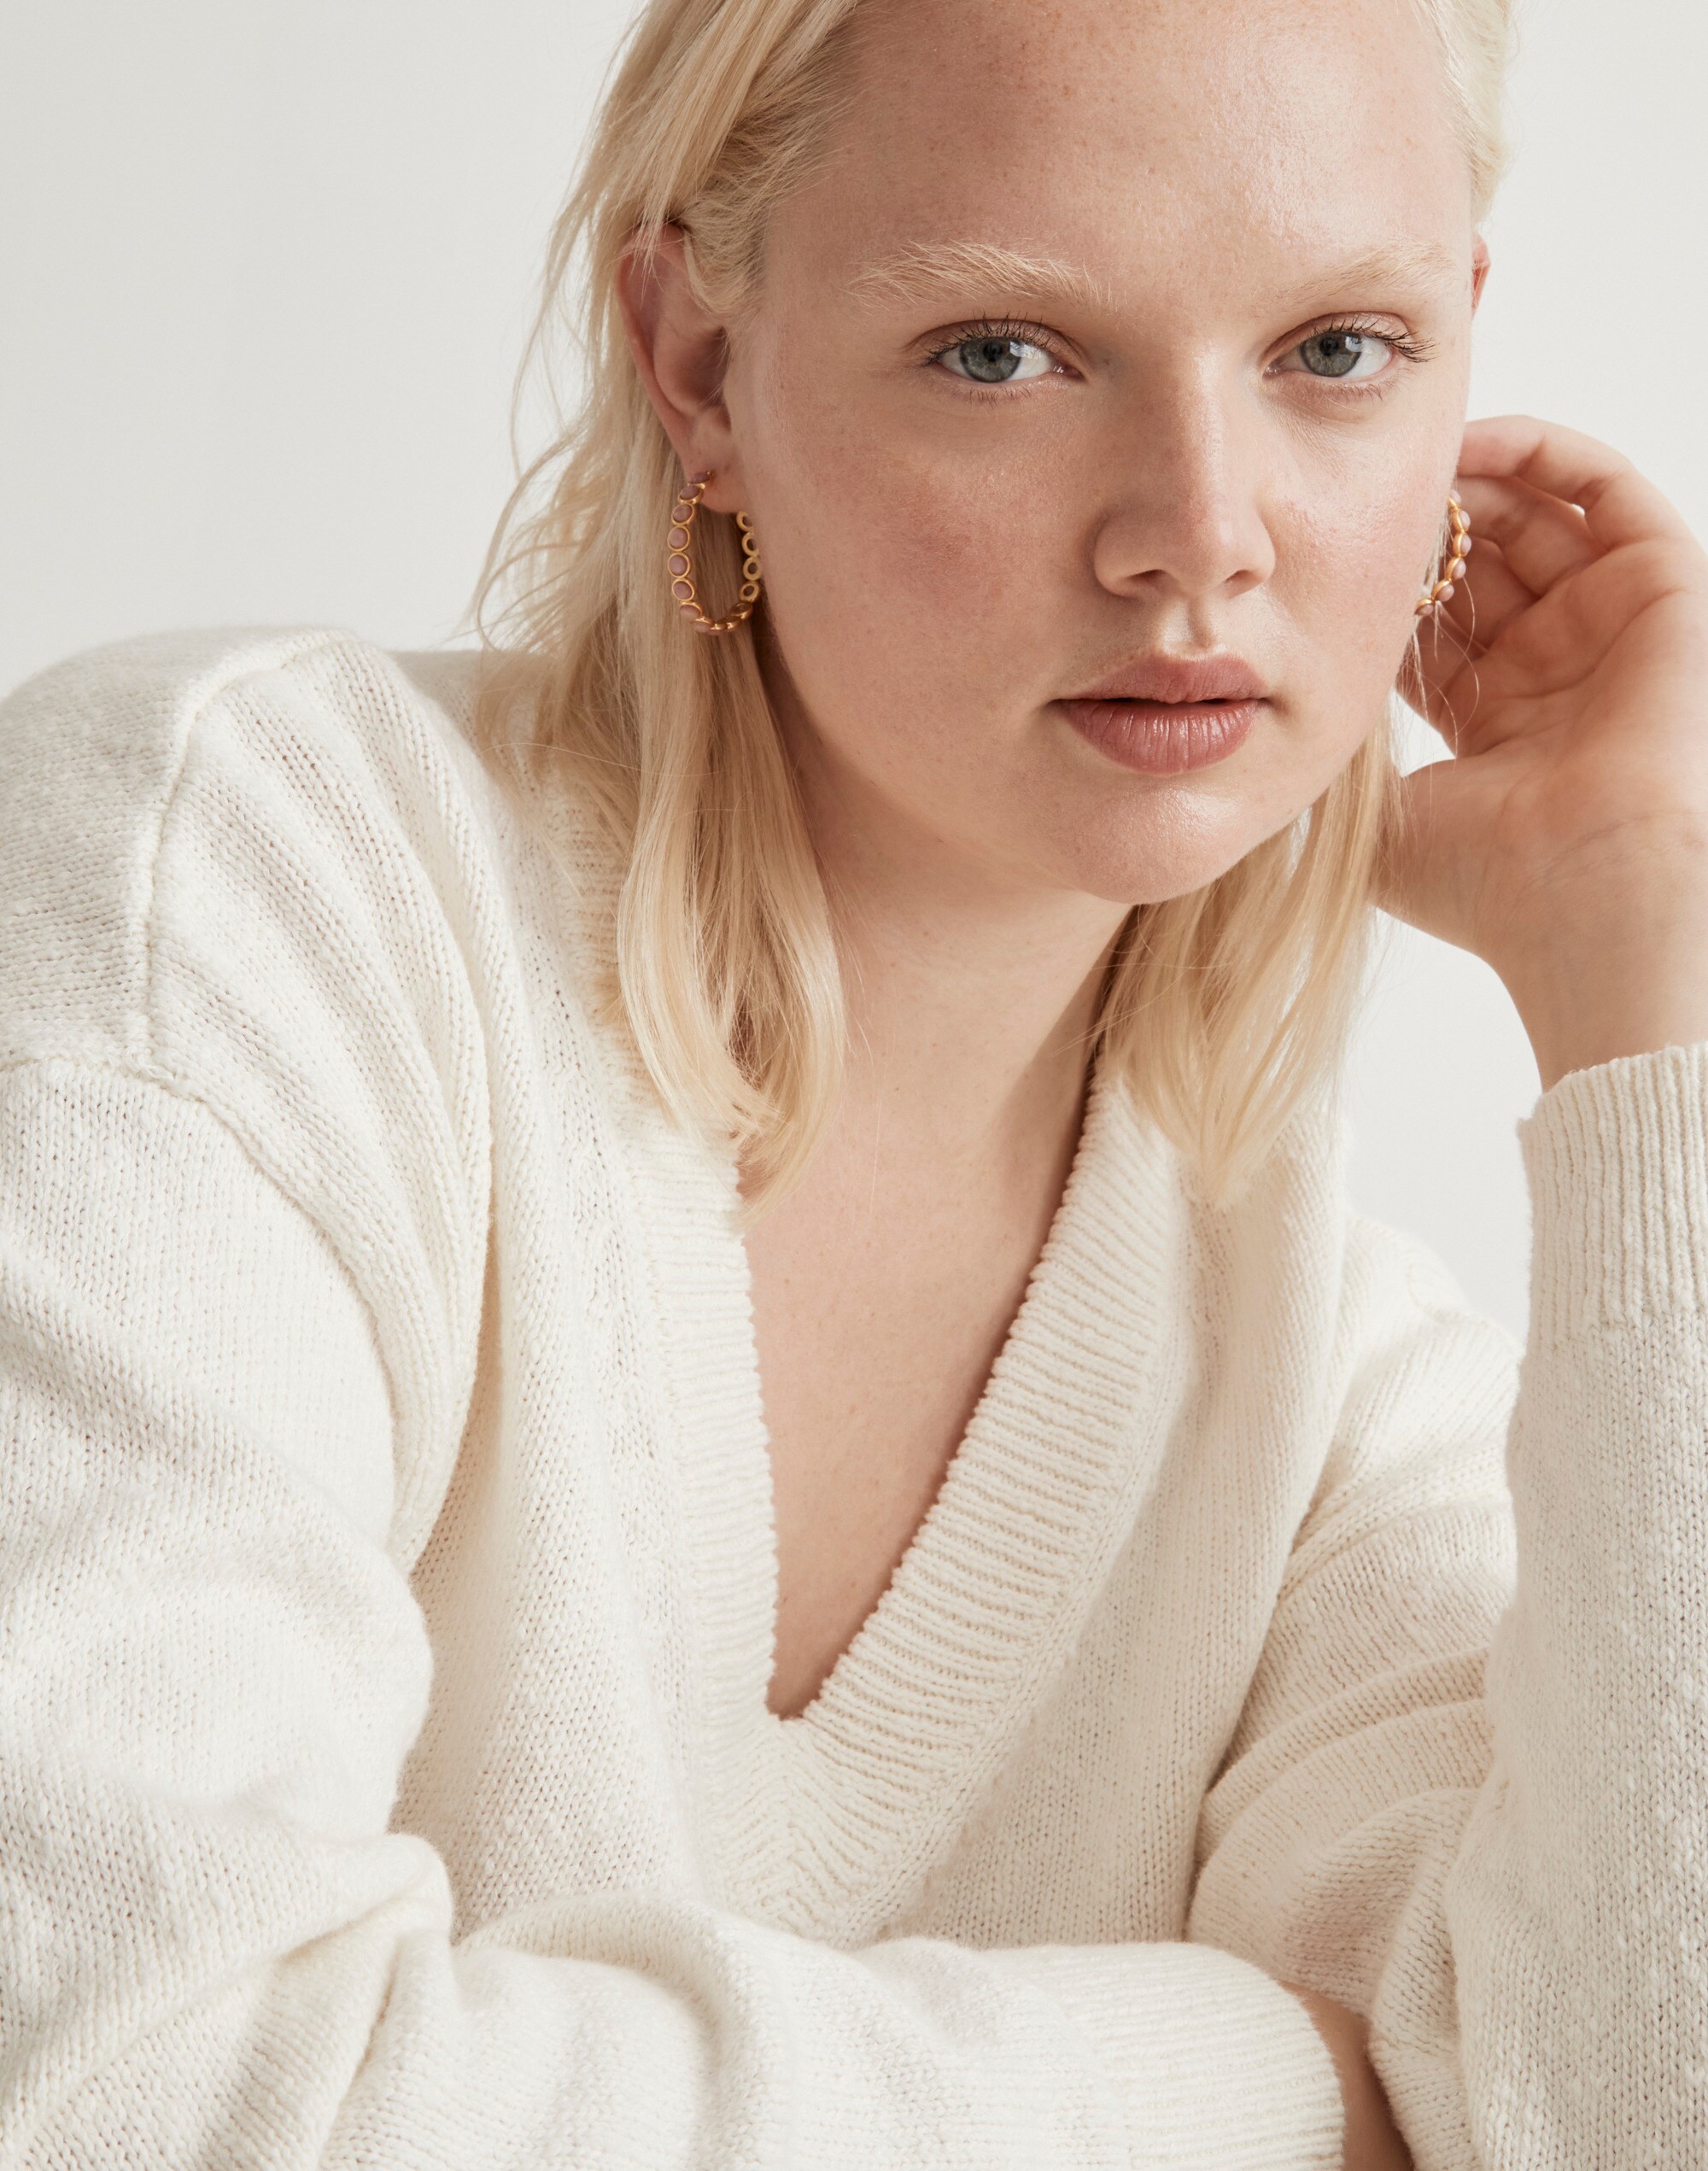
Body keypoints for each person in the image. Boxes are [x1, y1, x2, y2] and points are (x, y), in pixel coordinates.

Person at [2, 0, 1706, 2162]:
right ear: (696, 367)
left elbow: (1625, 2108)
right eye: (1003, 350)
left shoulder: (1318, 1378)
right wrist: (1267, 2089)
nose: (1199, 536)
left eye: (1333, 353)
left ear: (1461, 347)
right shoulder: (239, 893)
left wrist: (1647, 976)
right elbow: (121, 2093)